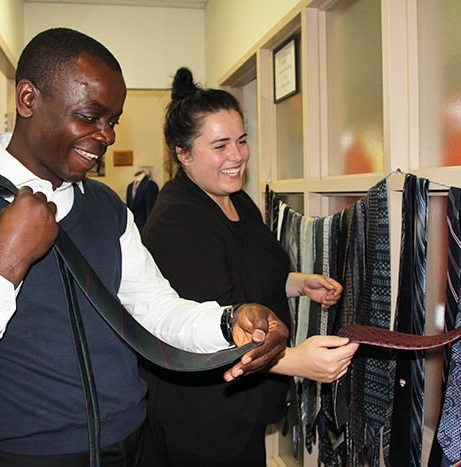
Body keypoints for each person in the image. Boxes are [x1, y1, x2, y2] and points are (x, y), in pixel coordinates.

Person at [0, 29, 288, 467]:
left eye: (112, 120)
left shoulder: (105, 206)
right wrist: (3, 266)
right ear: (28, 99)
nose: (107, 135)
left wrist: (231, 321)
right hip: (34, 458)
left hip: (140, 444)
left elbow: (155, 310)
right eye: (90, 116)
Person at [139, 67, 359, 467]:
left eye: (241, 141)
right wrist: (298, 362)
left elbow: (248, 268)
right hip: (204, 419)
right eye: (220, 146)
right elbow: (216, 329)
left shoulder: (235, 199)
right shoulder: (178, 221)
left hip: (245, 407)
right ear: (183, 153)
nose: (237, 156)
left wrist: (297, 283)